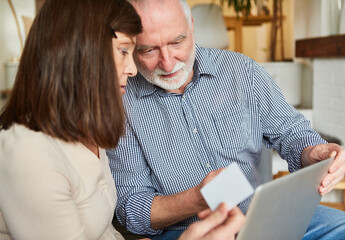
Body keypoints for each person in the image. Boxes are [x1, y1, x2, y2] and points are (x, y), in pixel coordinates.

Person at [106, 0, 345, 239]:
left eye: (176, 42)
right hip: (191, 233)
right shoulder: (121, 101)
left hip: (264, 216)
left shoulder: (242, 71)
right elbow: (132, 209)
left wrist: (312, 151)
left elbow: (292, 132)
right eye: (149, 50)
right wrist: (196, 198)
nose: (168, 62)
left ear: (191, 25)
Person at [0, 0, 245, 239]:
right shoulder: (28, 152)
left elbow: (104, 232)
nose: (133, 69)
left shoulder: (88, 132)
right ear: (83, 52)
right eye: (124, 51)